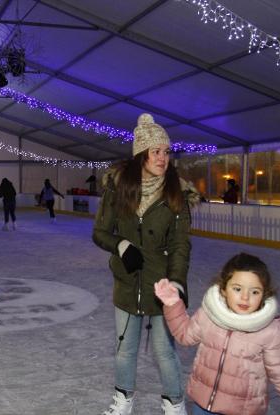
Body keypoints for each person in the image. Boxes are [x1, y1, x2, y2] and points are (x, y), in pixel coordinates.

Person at [93, 113, 200, 415]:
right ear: (142, 153)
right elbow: (100, 232)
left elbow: (181, 244)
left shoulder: (176, 192)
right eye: (156, 151)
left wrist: (176, 283)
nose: (163, 158)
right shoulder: (119, 187)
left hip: (162, 285)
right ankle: (123, 401)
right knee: (125, 349)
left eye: (166, 152)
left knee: (165, 351)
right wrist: (122, 245)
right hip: (127, 282)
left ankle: (175, 404)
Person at [154, 253, 280, 415]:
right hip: (203, 405)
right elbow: (185, 335)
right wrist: (172, 304)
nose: (245, 297)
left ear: (264, 294)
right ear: (223, 289)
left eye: (255, 292)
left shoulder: (270, 331)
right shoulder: (209, 315)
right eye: (237, 289)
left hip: (243, 410)